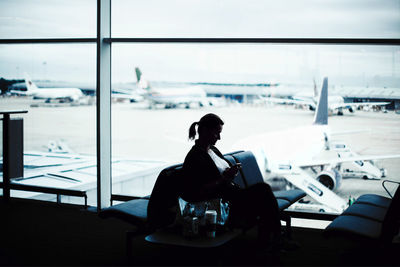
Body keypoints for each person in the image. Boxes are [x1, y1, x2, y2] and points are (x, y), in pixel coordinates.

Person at [180, 113, 282, 251]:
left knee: (264, 197)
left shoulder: (212, 150)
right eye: (217, 133)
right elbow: (198, 190)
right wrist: (224, 178)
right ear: (204, 131)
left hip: (231, 195)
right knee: (263, 192)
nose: (219, 137)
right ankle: (273, 240)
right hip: (222, 201)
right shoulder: (195, 157)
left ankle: (270, 241)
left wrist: (229, 174)